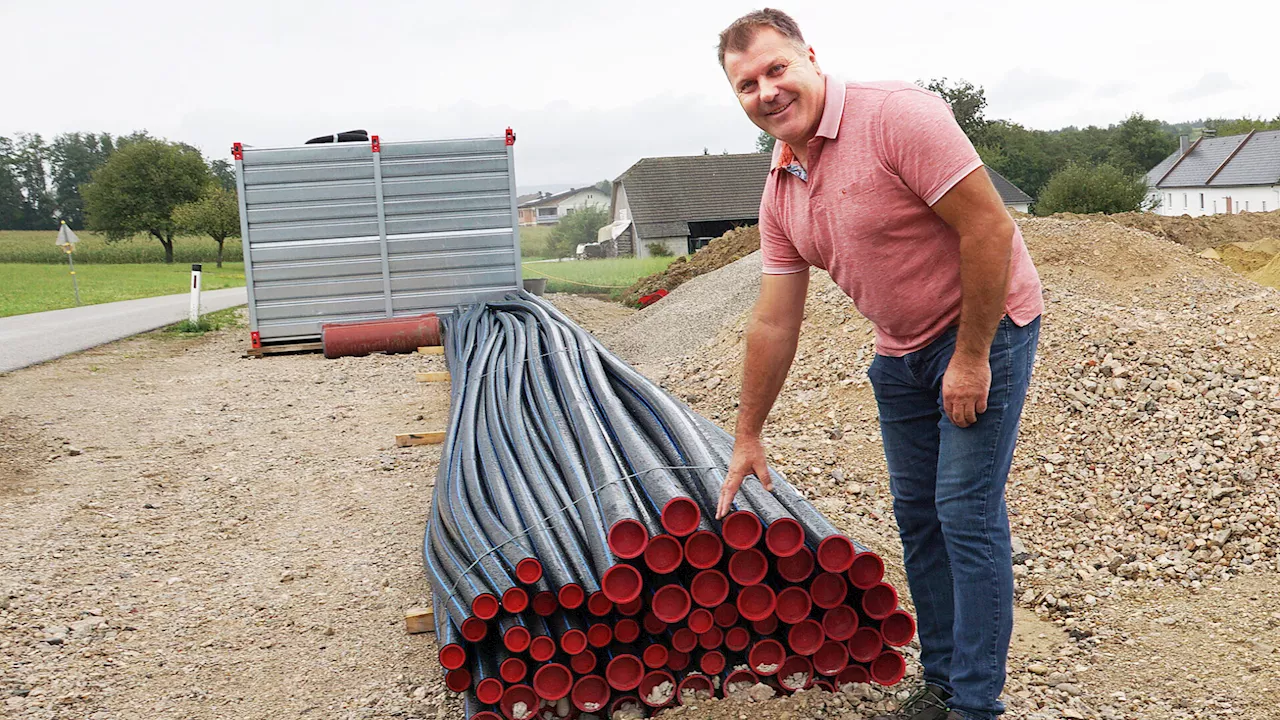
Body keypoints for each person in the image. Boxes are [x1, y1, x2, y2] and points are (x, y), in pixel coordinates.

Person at [714, 9, 1043, 720]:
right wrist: (748, 434)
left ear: (810, 57)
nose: (767, 91)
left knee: (964, 511)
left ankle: (976, 707)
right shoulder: (781, 189)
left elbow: (989, 225)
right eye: (747, 84)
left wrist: (972, 357)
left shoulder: (897, 117)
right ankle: (945, 684)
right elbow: (774, 319)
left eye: (777, 70)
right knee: (918, 517)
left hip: (986, 326)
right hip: (899, 352)